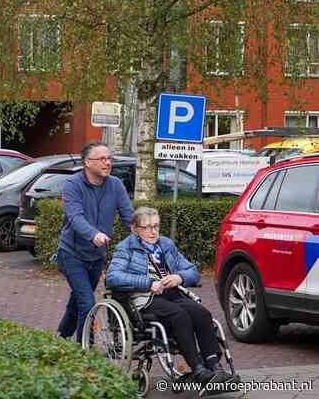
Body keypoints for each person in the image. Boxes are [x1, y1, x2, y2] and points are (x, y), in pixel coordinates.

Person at [106, 207, 238, 389]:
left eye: (156, 226)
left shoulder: (166, 245)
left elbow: (192, 271)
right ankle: (199, 370)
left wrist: (179, 277)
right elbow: (113, 277)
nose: (153, 232)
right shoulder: (126, 248)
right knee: (179, 316)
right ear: (134, 229)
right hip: (145, 298)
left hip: (172, 294)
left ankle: (215, 367)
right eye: (146, 227)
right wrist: (147, 283)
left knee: (202, 314)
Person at [57, 141, 133, 340]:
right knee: (87, 302)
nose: (108, 163)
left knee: (78, 301)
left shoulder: (116, 185)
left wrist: (143, 231)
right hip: (71, 254)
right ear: (87, 163)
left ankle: (60, 337)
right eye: (102, 159)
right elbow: (75, 217)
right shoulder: (73, 184)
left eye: (109, 159)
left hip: (97, 256)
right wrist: (94, 234)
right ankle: (84, 349)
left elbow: (128, 216)